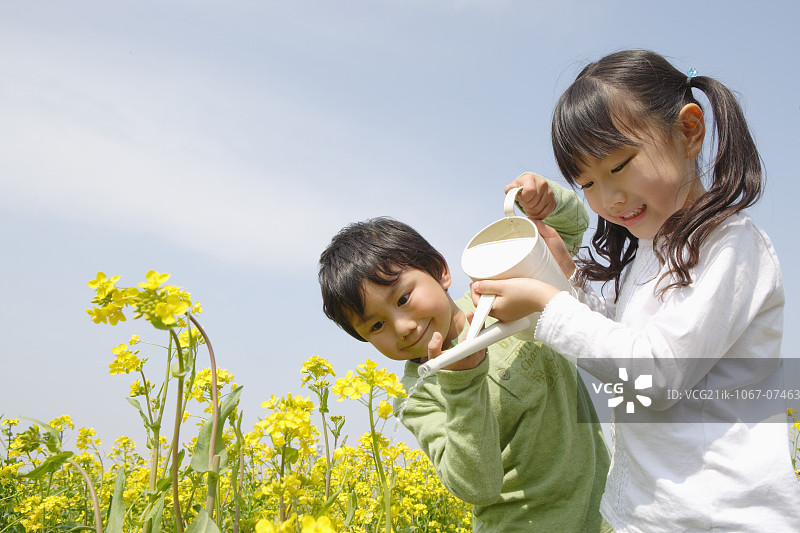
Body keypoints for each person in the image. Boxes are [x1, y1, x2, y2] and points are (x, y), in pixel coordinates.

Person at [471, 49, 800, 532]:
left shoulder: (731, 245)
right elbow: (621, 344)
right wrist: (560, 280)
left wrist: (553, 308)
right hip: (644, 515)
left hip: (722, 518)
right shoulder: (648, 250)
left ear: (689, 131)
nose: (609, 198)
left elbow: (657, 377)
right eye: (587, 182)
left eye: (619, 166)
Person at [318, 175, 613, 533]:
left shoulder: (498, 295)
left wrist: (549, 203)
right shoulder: (416, 396)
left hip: (605, 517)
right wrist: (462, 383)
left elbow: (563, 236)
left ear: (441, 271)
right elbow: (478, 487)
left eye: (403, 298)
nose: (403, 327)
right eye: (376, 326)